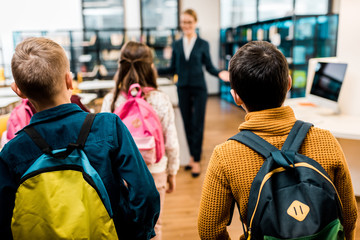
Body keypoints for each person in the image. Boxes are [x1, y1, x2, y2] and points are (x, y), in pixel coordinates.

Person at [0, 37, 160, 240]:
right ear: (69, 80)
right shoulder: (108, 126)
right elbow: (146, 193)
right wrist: (136, 233)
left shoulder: (12, 153)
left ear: (18, 91)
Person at [198, 41, 357, 239]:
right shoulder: (326, 140)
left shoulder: (225, 155)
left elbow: (209, 230)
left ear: (236, 97)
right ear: (289, 84)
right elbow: (349, 217)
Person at [101, 41, 180, 240]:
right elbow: (171, 142)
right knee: (155, 226)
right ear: (151, 67)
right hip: (154, 172)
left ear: (121, 67)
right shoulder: (160, 99)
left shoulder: (111, 100)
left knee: (122, 227)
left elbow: (103, 143)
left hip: (121, 176)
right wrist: (172, 173)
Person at [157, 9, 229, 177]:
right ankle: (191, 156)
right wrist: (154, 71)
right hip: (182, 87)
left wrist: (219, 73)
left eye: (189, 22)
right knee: (187, 124)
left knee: (198, 124)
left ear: (195, 23)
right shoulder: (176, 44)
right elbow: (172, 68)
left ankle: (196, 160)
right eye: (184, 22)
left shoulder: (203, 44)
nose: (186, 25)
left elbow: (209, 66)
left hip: (199, 89)